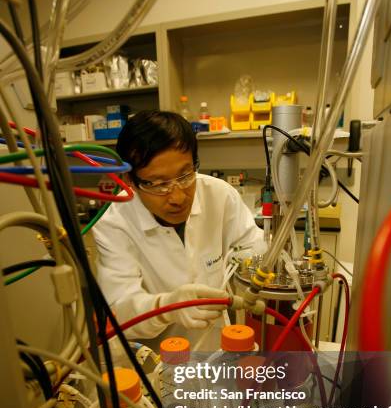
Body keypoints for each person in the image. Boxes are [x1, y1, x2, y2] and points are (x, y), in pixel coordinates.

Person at [93, 110, 264, 348]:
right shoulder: (114, 222)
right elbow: (120, 312)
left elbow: (255, 249)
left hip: (219, 348)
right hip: (158, 361)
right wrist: (167, 308)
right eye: (158, 184)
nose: (177, 197)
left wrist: (249, 266)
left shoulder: (220, 195)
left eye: (185, 175)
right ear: (130, 180)